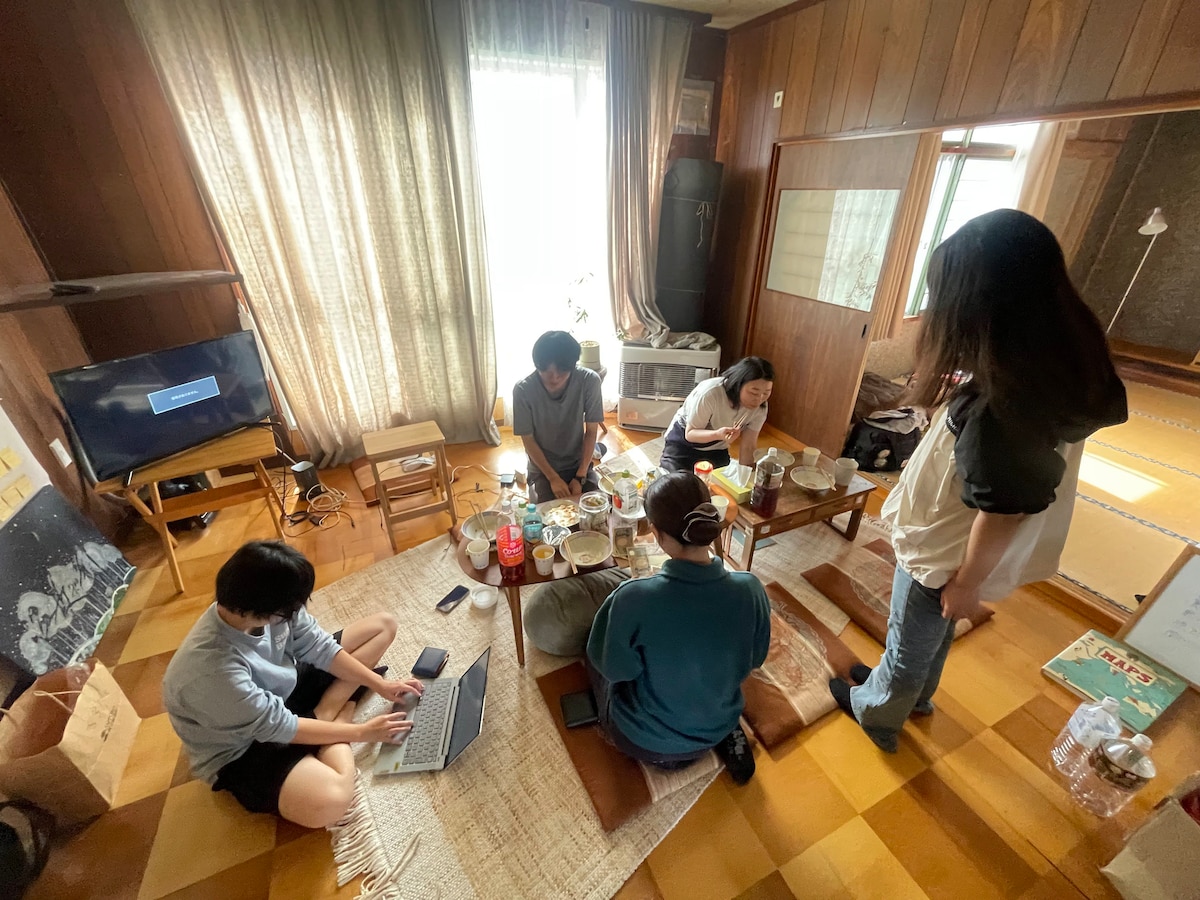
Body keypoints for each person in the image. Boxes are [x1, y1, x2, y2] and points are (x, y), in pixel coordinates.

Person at [829, 209, 1128, 753]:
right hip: (956, 542)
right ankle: (914, 697)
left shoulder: (1002, 405)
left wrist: (969, 582)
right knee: (932, 632)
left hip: (944, 547)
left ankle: (878, 711)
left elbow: (1004, 506)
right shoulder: (1052, 369)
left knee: (910, 635)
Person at [162, 541, 423, 827]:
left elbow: (318, 646)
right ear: (259, 612)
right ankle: (335, 721)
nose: (295, 613)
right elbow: (279, 727)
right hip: (245, 749)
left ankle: (325, 712)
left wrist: (380, 685)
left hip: (284, 693)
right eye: (288, 611)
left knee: (383, 626)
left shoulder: (266, 603)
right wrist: (362, 732)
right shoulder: (210, 672)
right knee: (331, 801)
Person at [586, 472, 771, 784]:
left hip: (644, 742)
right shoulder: (750, 588)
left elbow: (617, 669)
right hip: (713, 730)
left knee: (595, 650)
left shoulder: (632, 597)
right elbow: (755, 658)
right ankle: (728, 729)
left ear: (657, 535)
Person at [513, 331, 604, 502]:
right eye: (546, 372)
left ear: (572, 365)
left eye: (561, 372)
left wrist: (580, 476)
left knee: (598, 506)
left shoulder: (589, 381)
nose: (554, 378)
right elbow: (528, 440)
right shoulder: (523, 390)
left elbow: (591, 432)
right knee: (545, 513)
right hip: (542, 470)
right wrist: (553, 478)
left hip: (578, 465)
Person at [660, 356, 774, 474]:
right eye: (754, 392)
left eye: (766, 393)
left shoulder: (761, 407)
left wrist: (745, 475)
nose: (759, 399)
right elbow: (690, 434)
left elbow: (748, 446)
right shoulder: (711, 393)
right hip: (683, 443)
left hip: (716, 447)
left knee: (718, 481)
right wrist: (718, 434)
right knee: (677, 480)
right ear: (738, 384)